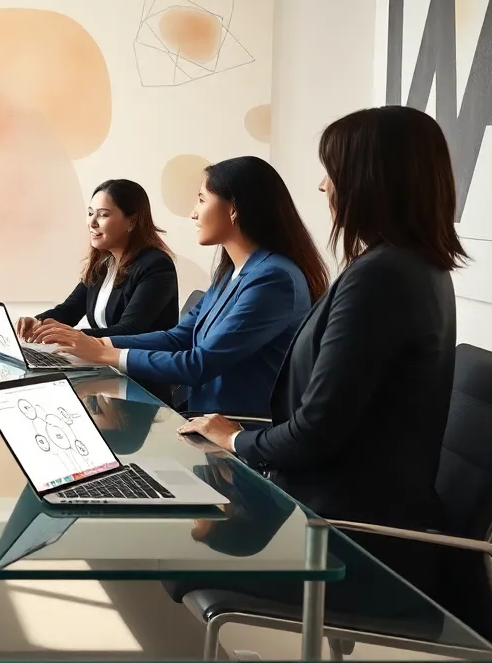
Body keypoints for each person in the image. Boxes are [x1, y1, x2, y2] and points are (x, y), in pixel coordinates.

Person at [180, 106, 467, 598]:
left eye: (331, 172)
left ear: (368, 181)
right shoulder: (418, 269)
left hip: (345, 537)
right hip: (348, 512)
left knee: (172, 547)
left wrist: (233, 440)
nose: (322, 186)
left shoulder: (380, 277)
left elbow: (315, 431)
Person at [39, 156, 327, 418]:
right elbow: (179, 337)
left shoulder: (273, 279)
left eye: (201, 200)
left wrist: (104, 353)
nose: (193, 213)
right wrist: (102, 343)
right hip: (203, 419)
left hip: (240, 430)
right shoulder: (232, 273)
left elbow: (198, 364)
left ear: (234, 210)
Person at [16, 178, 178, 341]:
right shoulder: (104, 263)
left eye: (103, 215)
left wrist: (70, 335)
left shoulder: (156, 265)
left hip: (136, 362)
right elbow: (69, 310)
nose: (92, 223)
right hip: (102, 359)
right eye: (90, 213)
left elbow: (130, 331)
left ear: (132, 221)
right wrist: (37, 322)